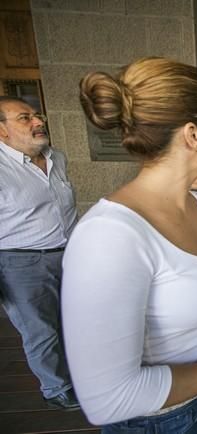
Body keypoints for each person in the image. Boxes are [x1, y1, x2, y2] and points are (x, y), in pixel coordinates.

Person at [62, 57, 197, 432]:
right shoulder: (109, 237)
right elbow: (108, 399)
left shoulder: (192, 203)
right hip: (163, 421)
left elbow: (191, 285)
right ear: (192, 135)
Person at [0, 96, 79, 411]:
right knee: (40, 330)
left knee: (72, 321)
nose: (38, 122)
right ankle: (56, 389)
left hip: (69, 255)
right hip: (21, 263)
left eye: (36, 115)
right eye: (24, 118)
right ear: (2, 131)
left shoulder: (56, 157)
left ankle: (78, 375)